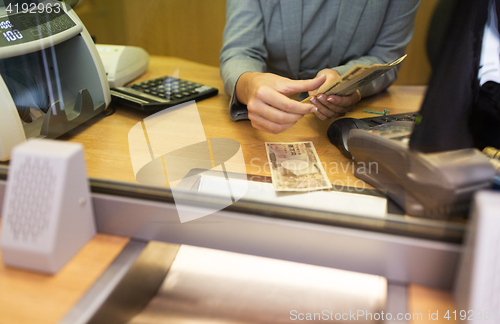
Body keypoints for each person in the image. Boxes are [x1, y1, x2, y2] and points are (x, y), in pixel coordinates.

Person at [220, 0, 420, 134]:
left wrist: (347, 82)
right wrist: (249, 85)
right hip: (264, 120)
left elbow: (387, 56)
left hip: (346, 122)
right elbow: (240, 51)